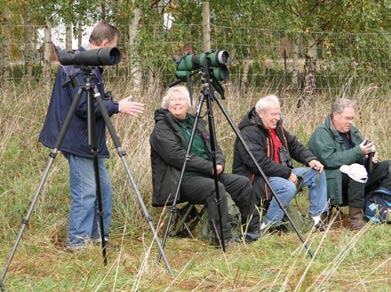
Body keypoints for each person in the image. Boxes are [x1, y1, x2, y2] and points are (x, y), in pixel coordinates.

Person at [39, 21, 145, 250]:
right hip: (76, 139)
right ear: (105, 43)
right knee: (86, 192)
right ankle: (77, 244)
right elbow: (84, 106)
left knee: (103, 191)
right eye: (112, 48)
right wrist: (117, 107)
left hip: (89, 139)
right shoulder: (77, 65)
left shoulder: (87, 65)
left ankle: (98, 239)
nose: (111, 54)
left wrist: (113, 104)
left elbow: (91, 102)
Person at [150, 85, 260, 246]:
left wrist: (220, 163)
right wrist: (209, 167)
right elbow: (176, 156)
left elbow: (216, 148)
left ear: (188, 104)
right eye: (173, 100)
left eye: (181, 99)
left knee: (242, 184)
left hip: (208, 174)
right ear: (167, 105)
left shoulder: (197, 124)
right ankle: (223, 238)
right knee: (214, 188)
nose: (177, 103)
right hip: (180, 180)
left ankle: (252, 231)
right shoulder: (161, 129)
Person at [232, 94, 328, 232]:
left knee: (317, 173)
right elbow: (258, 163)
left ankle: (315, 219)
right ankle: (269, 225)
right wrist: (287, 173)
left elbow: (294, 146)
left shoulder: (277, 128)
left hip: (279, 173)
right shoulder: (249, 133)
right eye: (274, 114)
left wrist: (310, 159)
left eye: (278, 113)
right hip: (256, 178)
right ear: (261, 113)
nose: (277, 117)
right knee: (287, 187)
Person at [308, 98, 391, 230]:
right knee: (356, 170)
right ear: (335, 115)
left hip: (354, 175)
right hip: (333, 181)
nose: (350, 122)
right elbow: (329, 160)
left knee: (388, 166)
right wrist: (358, 151)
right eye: (347, 118)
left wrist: (369, 158)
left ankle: (381, 206)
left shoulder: (352, 131)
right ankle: (356, 222)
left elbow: (358, 156)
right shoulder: (321, 134)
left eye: (352, 118)